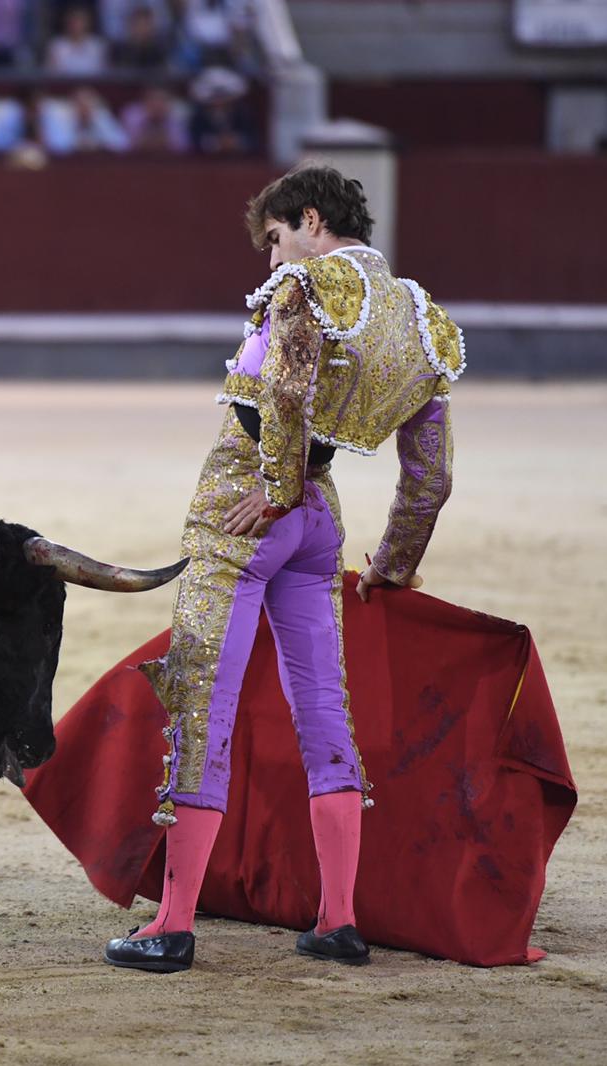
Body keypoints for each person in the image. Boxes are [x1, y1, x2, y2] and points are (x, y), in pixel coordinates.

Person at [102, 165, 463, 973]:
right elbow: (430, 475)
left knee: (204, 706)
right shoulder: (422, 318)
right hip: (320, 528)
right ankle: (338, 919)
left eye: (274, 240)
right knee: (324, 710)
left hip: (244, 515)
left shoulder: (305, 286)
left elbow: (288, 395)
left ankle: (171, 924)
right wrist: (396, 563)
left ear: (308, 219)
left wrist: (271, 490)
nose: (271, 262)